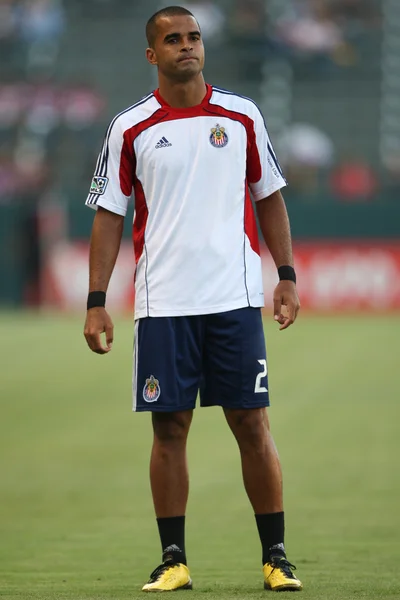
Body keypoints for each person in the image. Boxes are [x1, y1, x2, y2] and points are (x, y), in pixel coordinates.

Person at [83, 5, 302, 593]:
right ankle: (173, 559)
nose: (187, 46)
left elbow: (270, 197)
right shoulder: (129, 127)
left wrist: (285, 274)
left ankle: (276, 557)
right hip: (163, 304)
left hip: (233, 299)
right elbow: (109, 214)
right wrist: (96, 298)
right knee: (169, 431)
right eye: (173, 39)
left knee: (251, 424)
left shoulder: (242, 115)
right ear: (152, 55)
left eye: (194, 37)